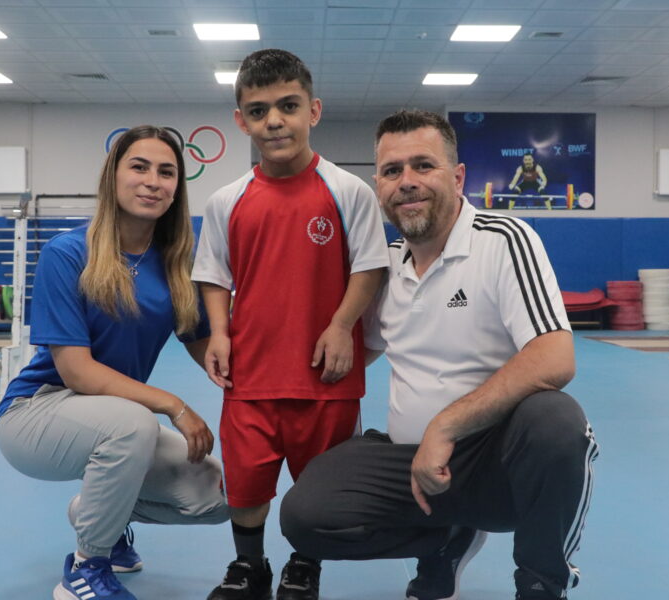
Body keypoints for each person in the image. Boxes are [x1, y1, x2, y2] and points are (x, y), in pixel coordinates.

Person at [280, 110, 598, 600]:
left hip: (495, 467)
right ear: (379, 186)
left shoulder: (503, 241)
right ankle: (446, 540)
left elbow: (555, 357)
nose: (407, 181)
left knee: (556, 421)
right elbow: (351, 355)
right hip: (409, 463)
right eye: (392, 171)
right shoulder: (385, 266)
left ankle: (541, 583)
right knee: (306, 515)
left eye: (423, 165)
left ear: (458, 177)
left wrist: (445, 427)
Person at [0, 125, 229, 600]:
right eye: (139, 167)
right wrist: (175, 405)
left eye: (166, 172)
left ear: (177, 188)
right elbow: (76, 371)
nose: (153, 181)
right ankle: (86, 568)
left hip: (114, 419)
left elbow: (205, 344)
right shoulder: (68, 253)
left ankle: (99, 515)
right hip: (35, 412)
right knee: (133, 424)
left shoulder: (175, 263)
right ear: (113, 176)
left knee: (221, 495)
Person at [192, 49, 389, 600]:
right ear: (242, 121)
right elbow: (213, 275)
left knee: (319, 488)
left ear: (313, 111)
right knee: (246, 484)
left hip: (326, 378)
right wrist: (220, 332)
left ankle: (305, 564)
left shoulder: (349, 191)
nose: (274, 121)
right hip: (250, 375)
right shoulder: (227, 200)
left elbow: (371, 267)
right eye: (258, 111)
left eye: (288, 106)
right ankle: (249, 566)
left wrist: (341, 325)